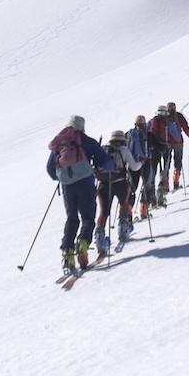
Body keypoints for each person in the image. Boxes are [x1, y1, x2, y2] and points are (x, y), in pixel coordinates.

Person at [47, 115, 112, 274]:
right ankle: (82, 244)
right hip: (85, 183)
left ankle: (67, 253)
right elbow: (106, 162)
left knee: (71, 217)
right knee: (88, 217)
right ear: (82, 127)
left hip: (68, 186)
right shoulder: (86, 140)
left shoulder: (60, 143)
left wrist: (62, 177)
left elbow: (50, 168)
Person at [95, 131, 139, 254]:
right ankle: (123, 228)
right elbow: (134, 167)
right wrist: (141, 162)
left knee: (104, 211)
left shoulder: (102, 149)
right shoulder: (124, 150)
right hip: (120, 183)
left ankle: (99, 235)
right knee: (124, 203)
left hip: (103, 184)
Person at [127, 115, 151, 219]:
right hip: (145, 163)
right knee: (146, 185)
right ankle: (143, 210)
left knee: (132, 187)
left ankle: (127, 213)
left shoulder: (128, 134)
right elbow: (156, 144)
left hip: (132, 163)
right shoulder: (148, 134)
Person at [166, 101, 189, 189]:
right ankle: (176, 181)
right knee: (178, 161)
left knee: (167, 163)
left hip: (167, 143)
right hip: (178, 142)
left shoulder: (164, 118)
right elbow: (185, 126)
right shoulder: (179, 116)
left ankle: (165, 185)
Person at [147, 105, 171, 205]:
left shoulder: (153, 121)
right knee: (162, 172)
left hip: (156, 149)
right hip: (161, 148)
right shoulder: (161, 121)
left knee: (153, 173)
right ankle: (159, 196)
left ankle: (152, 199)